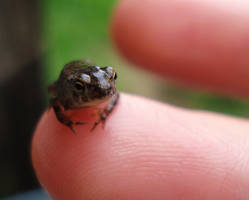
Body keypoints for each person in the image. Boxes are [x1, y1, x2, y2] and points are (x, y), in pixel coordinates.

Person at [32, 0, 249, 199]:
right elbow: (55, 103)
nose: (107, 90)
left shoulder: (108, 92)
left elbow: (115, 98)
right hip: (68, 78)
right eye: (82, 88)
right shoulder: (68, 98)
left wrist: (104, 112)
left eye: (112, 78)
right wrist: (68, 120)